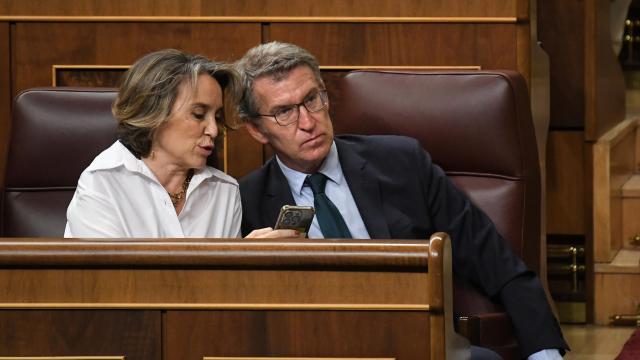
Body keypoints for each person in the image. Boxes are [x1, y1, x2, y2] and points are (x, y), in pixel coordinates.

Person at [235, 42, 569, 359]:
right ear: (256, 130)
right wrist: (248, 264)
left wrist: (544, 351)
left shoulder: (402, 163)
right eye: (284, 113)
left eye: (312, 99)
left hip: (415, 344)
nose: (308, 122)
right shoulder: (246, 202)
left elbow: (495, 261)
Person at [64, 49, 297, 239]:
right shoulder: (102, 182)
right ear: (154, 112)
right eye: (198, 114)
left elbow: (223, 294)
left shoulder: (224, 191)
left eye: (216, 117)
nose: (214, 131)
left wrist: (246, 259)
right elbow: (106, 287)